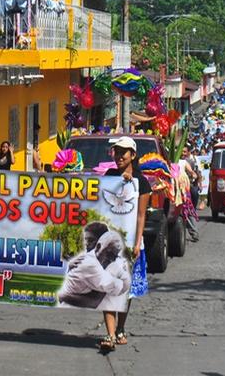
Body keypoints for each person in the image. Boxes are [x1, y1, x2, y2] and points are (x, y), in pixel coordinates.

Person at [100, 136, 152, 351]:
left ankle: (120, 328)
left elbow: (141, 216)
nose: (120, 156)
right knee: (108, 288)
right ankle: (110, 335)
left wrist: (137, 243)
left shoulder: (142, 182)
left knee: (125, 291)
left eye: (124, 152)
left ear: (133, 155)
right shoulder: (109, 177)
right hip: (109, 243)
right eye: (117, 151)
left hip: (130, 243)